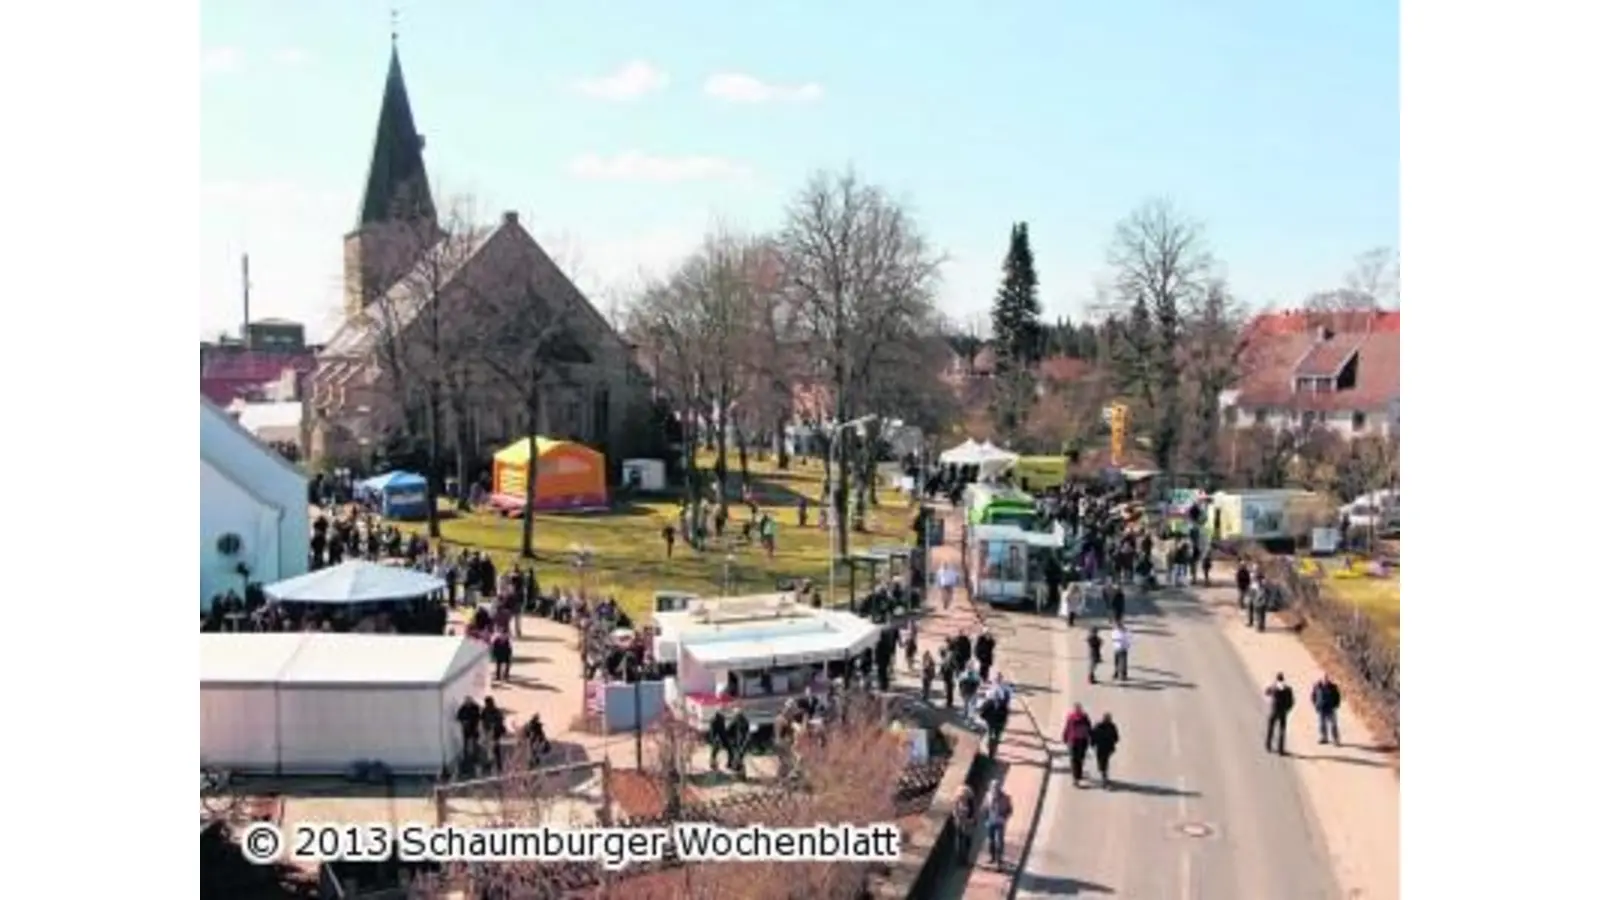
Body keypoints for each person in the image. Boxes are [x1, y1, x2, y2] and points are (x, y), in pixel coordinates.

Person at [1062, 703, 1094, 787]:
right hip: (1082, 741)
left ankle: (1076, 778)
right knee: (1079, 758)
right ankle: (1077, 776)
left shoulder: (1071, 717)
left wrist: (1065, 737)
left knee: (1074, 759)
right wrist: (1091, 738)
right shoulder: (1084, 717)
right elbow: (1089, 728)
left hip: (1073, 740)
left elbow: (1067, 728)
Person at [984, 781, 1013, 868]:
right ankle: (992, 857)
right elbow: (985, 807)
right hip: (990, 821)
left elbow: (1010, 810)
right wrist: (986, 818)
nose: (994, 789)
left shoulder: (1006, 798)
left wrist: (1004, 818)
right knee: (991, 840)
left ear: (999, 788)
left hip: (1000, 822)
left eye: (996, 787)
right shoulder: (988, 795)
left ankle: (999, 859)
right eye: (993, 787)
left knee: (999, 841)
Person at [1264, 673, 1295, 755]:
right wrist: (1287, 710)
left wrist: (1273, 684)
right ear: (1283, 679)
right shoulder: (1288, 689)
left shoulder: (1274, 687)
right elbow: (1292, 702)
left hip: (1274, 711)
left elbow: (1266, 692)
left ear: (1277, 679)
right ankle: (1280, 750)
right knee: (1282, 730)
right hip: (1283, 712)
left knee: (1270, 729)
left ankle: (1268, 746)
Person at [1311, 673, 1343, 746]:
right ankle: (1324, 738)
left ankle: (1336, 739)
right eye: (1324, 678)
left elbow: (1337, 697)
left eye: (1327, 678)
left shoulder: (1333, 687)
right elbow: (1313, 696)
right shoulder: (1317, 686)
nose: (1325, 680)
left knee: (1333, 724)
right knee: (1322, 724)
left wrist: (1336, 706)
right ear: (1322, 679)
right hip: (1321, 708)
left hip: (1331, 708)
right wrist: (1316, 705)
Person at [1090, 712, 1120, 786]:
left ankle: (1103, 774)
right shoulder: (1104, 726)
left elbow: (1116, 737)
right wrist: (1093, 743)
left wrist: (1092, 743)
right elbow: (1093, 735)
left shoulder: (1110, 726)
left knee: (1103, 760)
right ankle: (1103, 773)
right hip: (1103, 747)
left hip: (1105, 747)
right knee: (1103, 760)